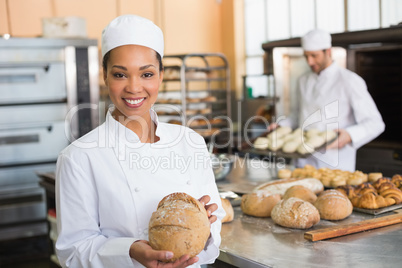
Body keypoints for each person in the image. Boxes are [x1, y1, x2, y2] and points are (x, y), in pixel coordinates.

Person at [55, 14, 224, 268]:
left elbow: (216, 224)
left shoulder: (190, 141)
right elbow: (73, 250)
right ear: (104, 76)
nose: (134, 88)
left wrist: (201, 224)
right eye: (120, 75)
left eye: (146, 74)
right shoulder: (79, 157)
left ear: (161, 75)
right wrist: (130, 251)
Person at [275, 29, 385, 172]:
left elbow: (375, 123)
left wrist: (350, 135)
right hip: (303, 163)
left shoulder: (349, 81)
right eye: (306, 56)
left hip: (334, 165)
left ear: (328, 52)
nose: (310, 61)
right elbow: (298, 115)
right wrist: (281, 125)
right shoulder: (303, 80)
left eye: (314, 56)